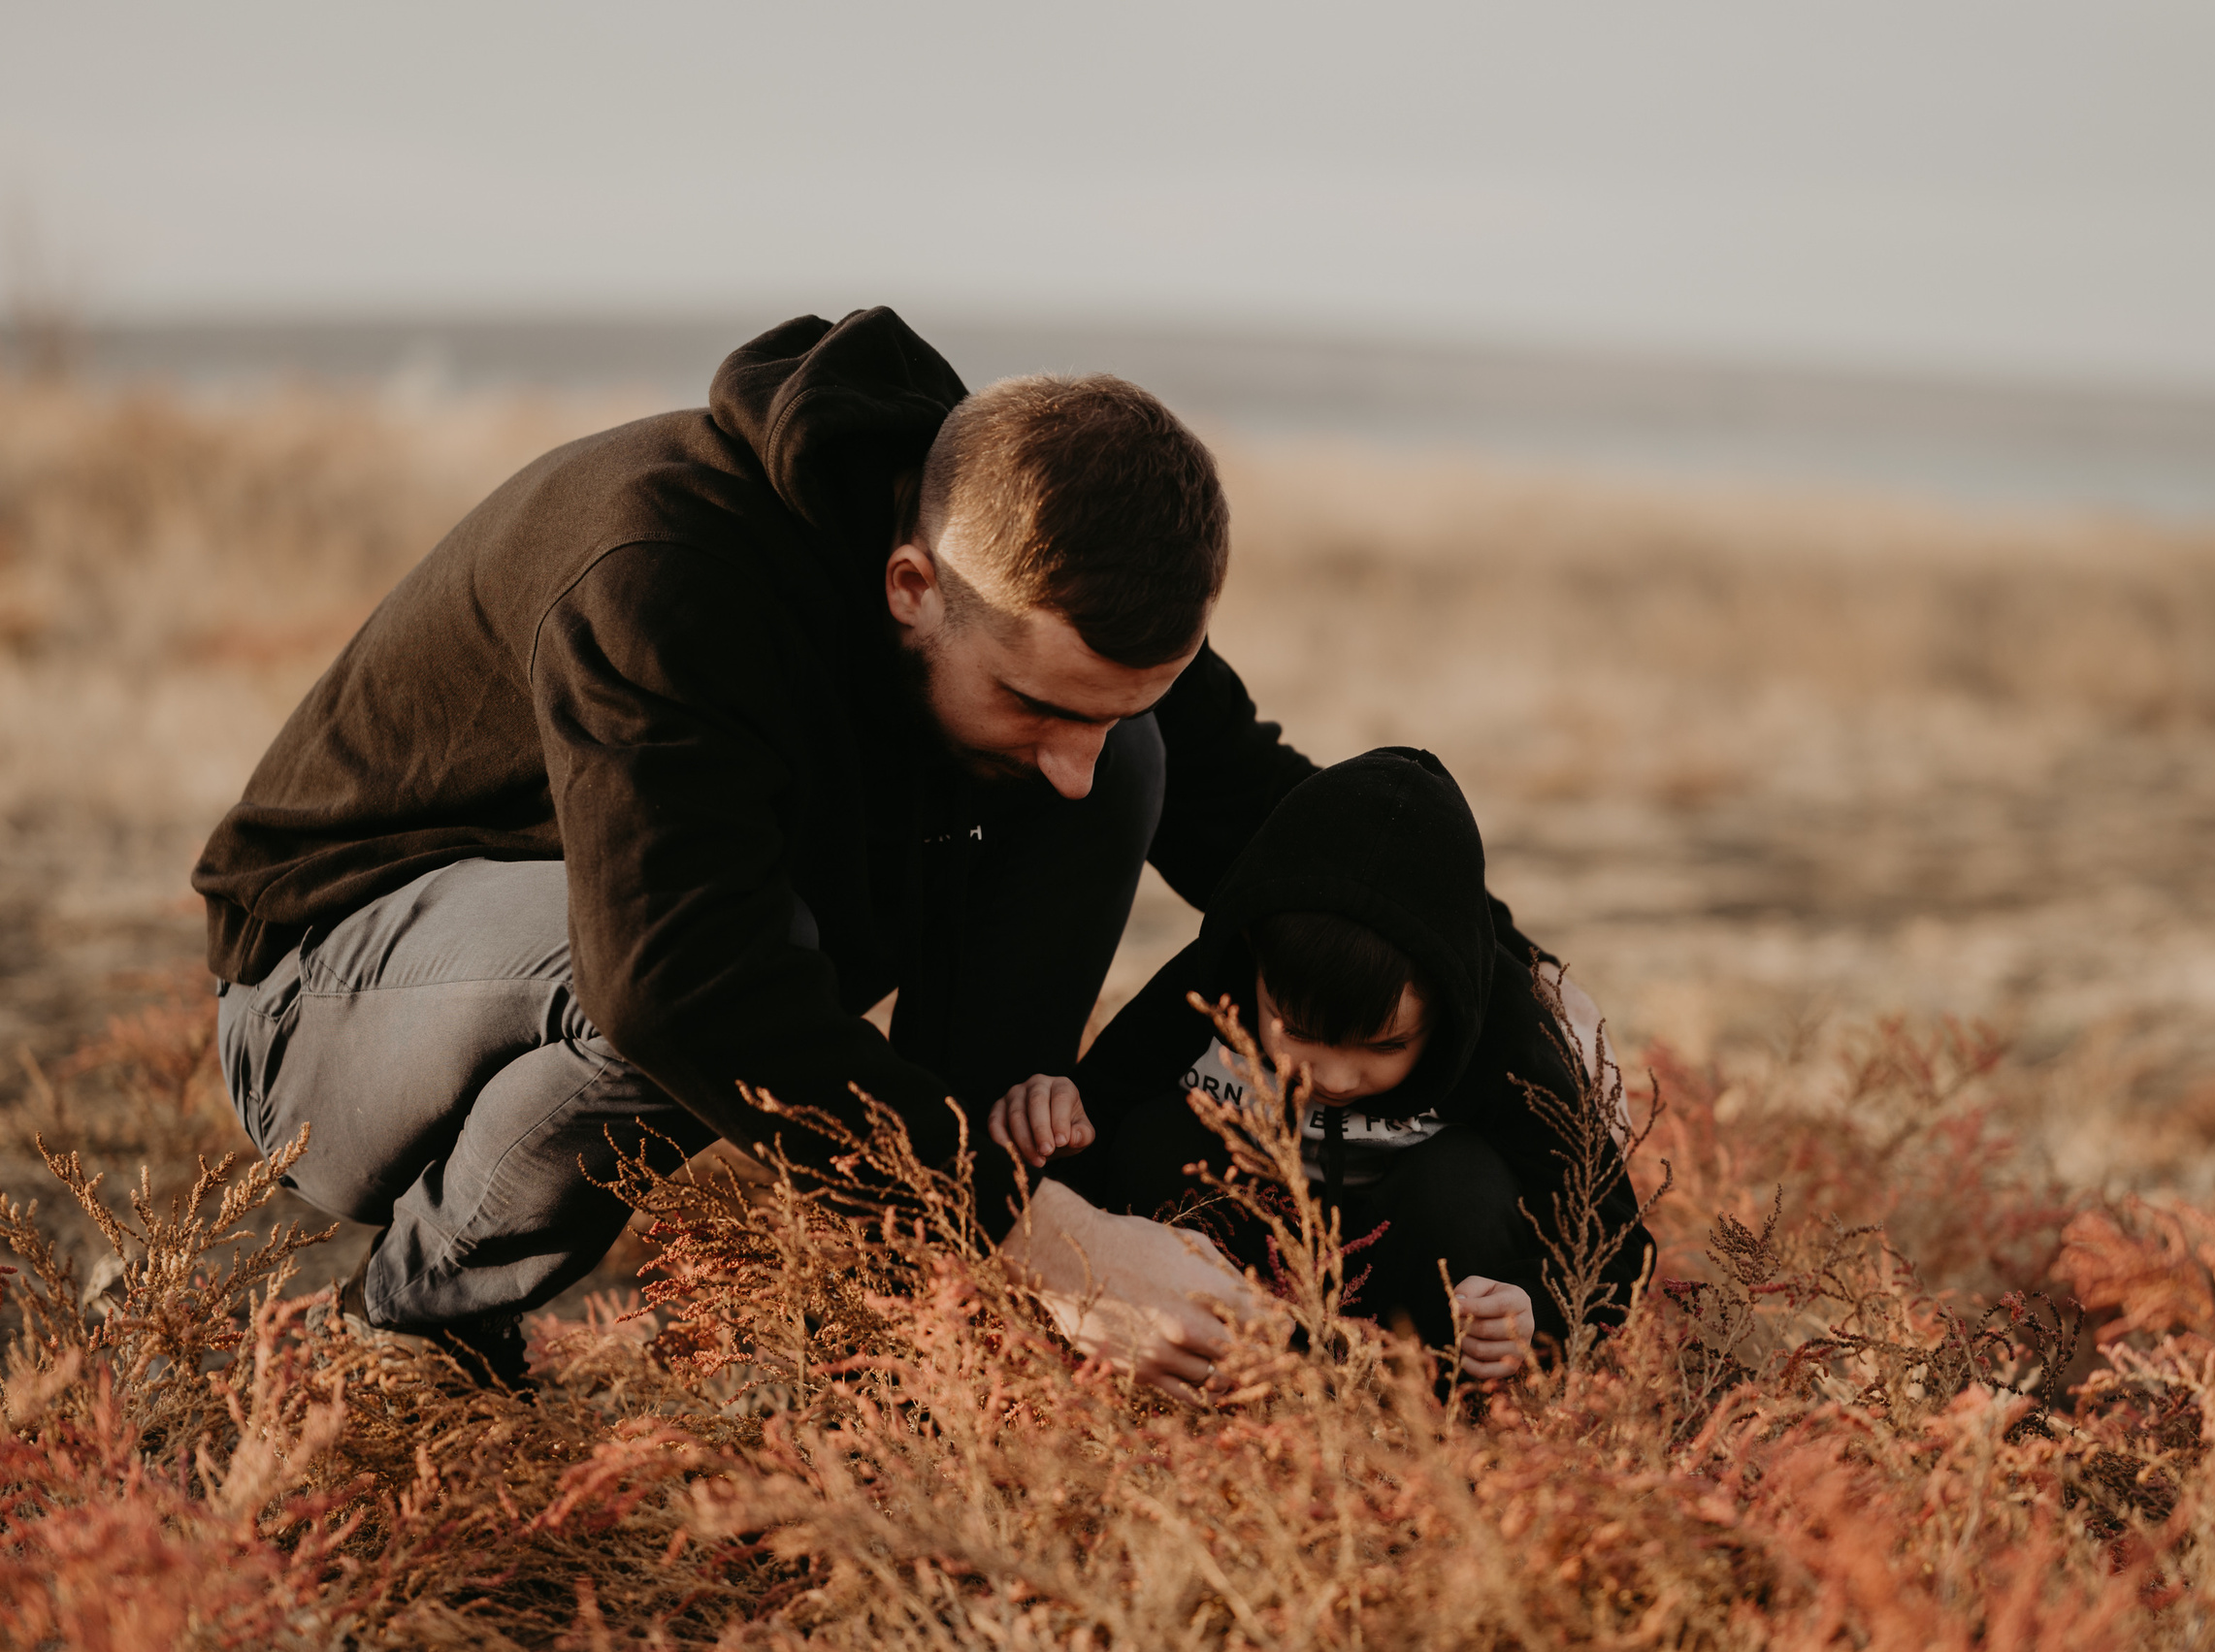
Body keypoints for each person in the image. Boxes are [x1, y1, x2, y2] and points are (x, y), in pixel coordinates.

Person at [197, 308, 1551, 1396]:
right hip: (334, 1003)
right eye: (1039, 704)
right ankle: (413, 1322)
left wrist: (1515, 979)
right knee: (660, 975)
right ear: (914, 587)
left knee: (1132, 765)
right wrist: (1056, 1239)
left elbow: (1270, 819)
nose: (1069, 753)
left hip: (641, 950)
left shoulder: (1050, 558)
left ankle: (933, 1312)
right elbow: (681, 987)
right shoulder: (661, 570)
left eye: (1111, 698)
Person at [989, 748, 1651, 1377]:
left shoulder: (1505, 1030)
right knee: (1155, 1133)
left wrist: (1534, 1313)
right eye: (1299, 1031)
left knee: (1462, 1180)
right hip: (1251, 1271)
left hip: (1420, 1289)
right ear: (1253, 961)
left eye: (1386, 1045)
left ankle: (1433, 1401)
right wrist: (1057, 1114)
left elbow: (1614, 1235)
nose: (1333, 1078)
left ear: (1447, 1007)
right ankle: (1205, 1366)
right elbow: (1101, 1113)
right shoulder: (1212, 981)